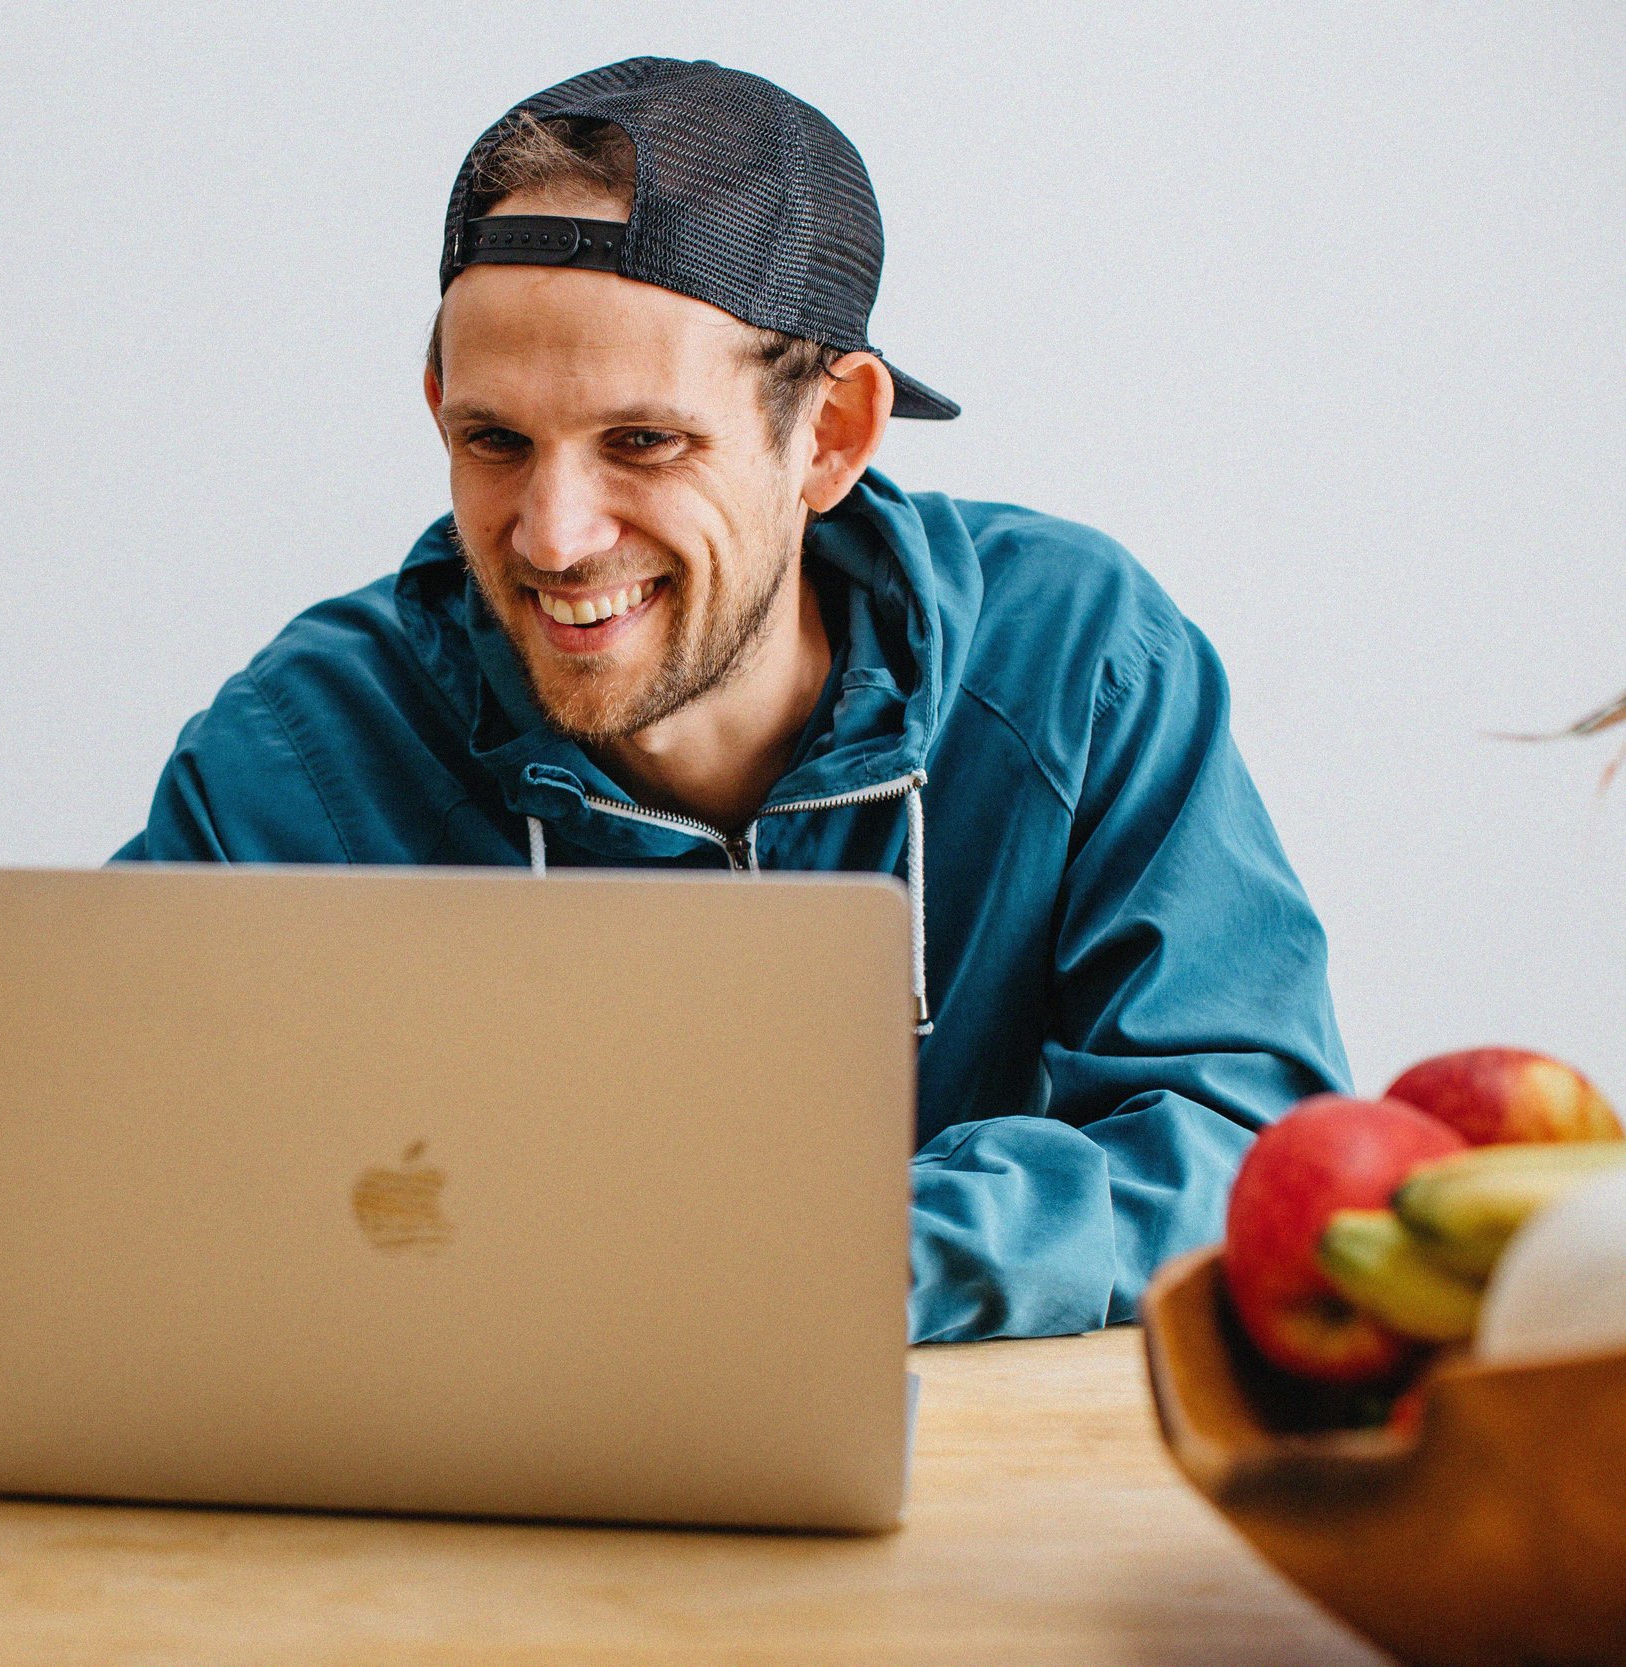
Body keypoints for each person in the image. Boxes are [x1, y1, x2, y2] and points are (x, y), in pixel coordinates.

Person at [115, 57, 1349, 1343]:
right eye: (495, 441)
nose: (552, 535)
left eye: (642, 442)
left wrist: (825, 1260)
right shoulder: (298, 747)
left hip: (972, 1493)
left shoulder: (1077, 661)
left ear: (829, 436)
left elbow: (1243, 1146)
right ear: (438, 410)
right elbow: (111, 1186)